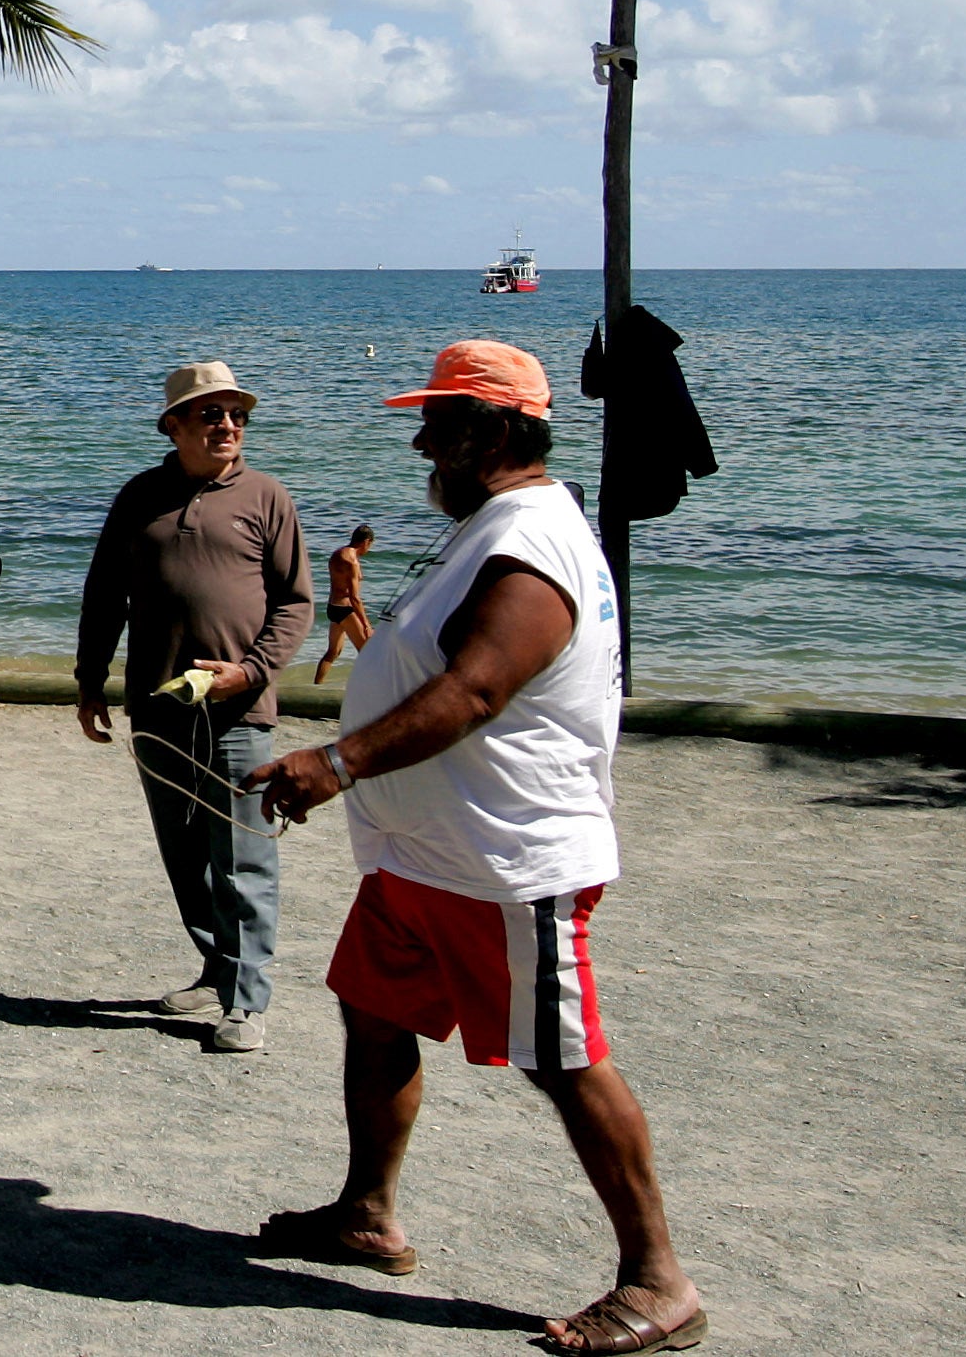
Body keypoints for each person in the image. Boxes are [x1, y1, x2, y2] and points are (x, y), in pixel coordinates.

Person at [245, 342, 703, 1355]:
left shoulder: (532, 542)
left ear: (493, 433)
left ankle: (657, 1278)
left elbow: (475, 691)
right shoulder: (492, 528)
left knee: (563, 1058)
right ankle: (366, 1212)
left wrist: (338, 760)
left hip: (507, 864)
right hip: (422, 857)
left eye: (440, 424)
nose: (421, 442)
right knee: (372, 1011)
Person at [74, 361, 313, 1055]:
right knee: (184, 854)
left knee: (241, 855)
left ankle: (247, 1000)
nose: (227, 425)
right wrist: (90, 682)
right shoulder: (138, 497)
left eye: (236, 414)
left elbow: (295, 602)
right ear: (173, 425)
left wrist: (250, 670)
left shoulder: (267, 497)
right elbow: (101, 596)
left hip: (239, 709)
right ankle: (215, 967)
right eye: (210, 414)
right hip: (156, 707)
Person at [312, 523, 375, 681]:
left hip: (333, 607)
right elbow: (354, 597)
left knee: (333, 652)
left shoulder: (337, 554)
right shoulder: (352, 561)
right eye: (370, 545)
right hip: (346, 609)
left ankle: (316, 687)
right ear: (366, 542)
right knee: (367, 653)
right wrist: (366, 624)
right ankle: (365, 692)